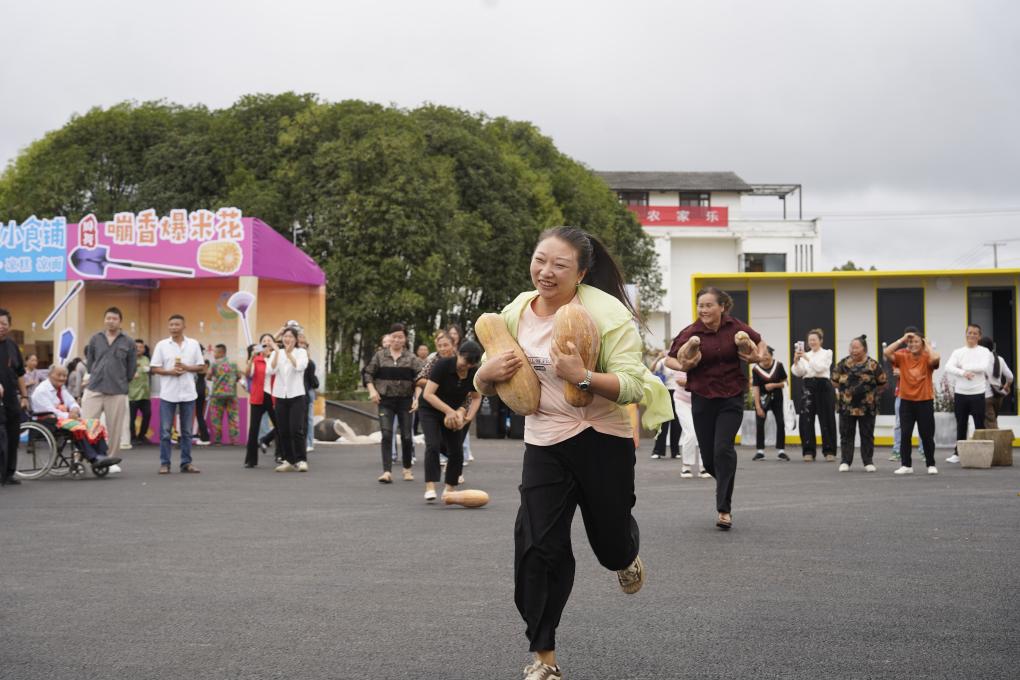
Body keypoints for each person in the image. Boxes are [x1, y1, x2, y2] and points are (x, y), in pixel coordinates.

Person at [474, 226, 672, 680]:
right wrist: (484, 376)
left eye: (559, 265)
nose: (546, 272)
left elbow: (635, 385)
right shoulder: (515, 312)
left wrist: (582, 375)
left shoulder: (607, 316)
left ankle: (625, 556)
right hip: (543, 440)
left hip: (602, 437)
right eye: (540, 260)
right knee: (538, 545)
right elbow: (490, 379)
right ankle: (544, 656)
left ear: (581, 273)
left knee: (609, 541)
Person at [668, 287, 766, 531]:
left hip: (731, 396)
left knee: (723, 448)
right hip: (702, 397)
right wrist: (682, 364)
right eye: (701, 305)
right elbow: (670, 357)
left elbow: (759, 342)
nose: (703, 310)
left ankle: (724, 509)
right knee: (711, 460)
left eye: (709, 305)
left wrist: (757, 357)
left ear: (722, 307)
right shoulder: (691, 332)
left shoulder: (736, 327)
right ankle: (724, 478)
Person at [420, 340, 483, 502]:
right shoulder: (442, 365)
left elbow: (476, 398)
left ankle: (449, 489)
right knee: (432, 445)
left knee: (456, 450)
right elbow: (428, 394)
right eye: (465, 362)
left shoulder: (473, 372)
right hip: (430, 409)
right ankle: (430, 486)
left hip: (454, 413)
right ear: (458, 354)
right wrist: (449, 411)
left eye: (471, 364)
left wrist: (467, 417)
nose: (466, 366)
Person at [31, 364, 121, 470]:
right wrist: (69, 416)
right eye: (59, 375)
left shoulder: (61, 388)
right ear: (50, 375)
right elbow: (50, 410)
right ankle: (93, 458)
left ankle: (103, 455)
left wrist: (75, 409)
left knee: (93, 423)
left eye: (64, 376)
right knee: (77, 427)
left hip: (62, 419)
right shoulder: (41, 391)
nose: (62, 378)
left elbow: (72, 402)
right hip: (47, 421)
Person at [365, 323, 422, 483]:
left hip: (405, 401)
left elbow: (420, 380)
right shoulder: (380, 356)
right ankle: (386, 471)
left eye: (400, 337)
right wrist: (372, 391)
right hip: (385, 401)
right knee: (387, 433)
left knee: (406, 435)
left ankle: (407, 469)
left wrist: (417, 399)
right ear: (389, 338)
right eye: (394, 336)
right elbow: (368, 374)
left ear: (405, 339)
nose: (397, 340)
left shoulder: (412, 358)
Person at [150, 315, 205, 474]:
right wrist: (170, 372)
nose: (173, 327)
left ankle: (186, 463)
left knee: (187, 431)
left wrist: (186, 368)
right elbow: (154, 368)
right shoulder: (162, 345)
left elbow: (201, 367)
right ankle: (165, 463)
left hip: (188, 393)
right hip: (168, 393)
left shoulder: (193, 344)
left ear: (184, 326)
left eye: (177, 324)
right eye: (171, 325)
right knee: (166, 431)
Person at [883, 328, 941, 475]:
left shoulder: (928, 356)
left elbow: (935, 359)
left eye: (916, 342)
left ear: (921, 343)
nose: (913, 344)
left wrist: (927, 344)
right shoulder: (903, 356)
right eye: (911, 342)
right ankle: (906, 465)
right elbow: (887, 353)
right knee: (905, 434)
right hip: (907, 401)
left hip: (924, 401)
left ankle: (931, 464)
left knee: (927, 435)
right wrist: (902, 339)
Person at [82, 307, 136, 460]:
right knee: (87, 425)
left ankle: (111, 460)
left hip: (117, 390)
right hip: (95, 388)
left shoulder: (128, 342)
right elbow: (90, 363)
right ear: (104, 320)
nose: (111, 321)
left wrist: (121, 381)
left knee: (114, 429)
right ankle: (85, 457)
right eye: (108, 318)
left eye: (114, 319)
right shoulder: (95, 338)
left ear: (120, 321)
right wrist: (96, 374)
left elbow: (131, 368)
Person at [832, 336, 887, 472]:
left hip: (867, 407)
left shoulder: (873, 364)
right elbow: (834, 381)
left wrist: (869, 395)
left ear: (864, 349)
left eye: (856, 347)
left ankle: (868, 462)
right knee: (846, 434)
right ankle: (845, 461)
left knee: (867, 434)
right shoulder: (843, 364)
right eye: (851, 347)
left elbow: (882, 383)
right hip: (847, 406)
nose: (853, 350)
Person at [944, 324, 995, 464]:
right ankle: (958, 453)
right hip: (961, 393)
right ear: (965, 334)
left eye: (975, 333)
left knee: (979, 424)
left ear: (979, 336)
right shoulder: (958, 352)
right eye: (969, 333)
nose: (971, 335)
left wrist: (963, 367)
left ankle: (981, 452)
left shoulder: (984, 351)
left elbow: (983, 367)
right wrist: (962, 372)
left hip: (978, 393)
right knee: (961, 424)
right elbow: (948, 366)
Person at [791, 329, 837, 462]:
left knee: (826, 418)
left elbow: (820, 368)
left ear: (820, 340)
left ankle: (829, 450)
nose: (812, 342)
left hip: (823, 385)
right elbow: (799, 372)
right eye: (810, 340)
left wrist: (806, 357)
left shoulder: (827, 353)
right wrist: (796, 361)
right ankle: (808, 450)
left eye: (814, 340)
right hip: (808, 386)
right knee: (806, 419)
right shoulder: (805, 354)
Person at [268, 327, 310, 472]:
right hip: (280, 395)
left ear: (296, 339)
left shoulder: (301, 352)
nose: (287, 339)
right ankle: (288, 460)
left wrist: (287, 353)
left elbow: (299, 367)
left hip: (297, 395)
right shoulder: (276, 353)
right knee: (283, 430)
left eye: (291, 337)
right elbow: (270, 370)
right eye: (285, 336)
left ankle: (301, 460)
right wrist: (276, 354)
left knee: (296, 429)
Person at [0, 308, 28, 486]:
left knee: (12, 435)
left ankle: (9, 472)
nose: (1, 327)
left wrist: (25, 396)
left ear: (9, 326)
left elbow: (20, 373)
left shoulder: (12, 346)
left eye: (4, 324)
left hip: (11, 398)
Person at [245, 334, 278, 468]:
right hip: (258, 396)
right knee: (254, 429)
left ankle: (280, 455)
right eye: (263, 341)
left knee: (280, 426)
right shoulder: (256, 359)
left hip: (273, 396)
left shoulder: (277, 357)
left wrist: (275, 351)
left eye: (269, 341)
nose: (266, 343)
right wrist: (252, 357)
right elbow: (248, 374)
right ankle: (251, 460)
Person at [751, 346, 789, 461]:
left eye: (767, 354)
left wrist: (774, 385)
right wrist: (758, 406)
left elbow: (785, 383)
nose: (765, 357)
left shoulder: (778, 366)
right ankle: (760, 451)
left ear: (772, 355)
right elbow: (756, 388)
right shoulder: (756, 369)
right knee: (760, 423)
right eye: (763, 355)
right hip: (763, 398)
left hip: (777, 398)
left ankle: (781, 451)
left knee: (780, 422)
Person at [673, 370, 708, 479]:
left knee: (705, 433)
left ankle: (705, 466)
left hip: (702, 400)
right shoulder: (683, 359)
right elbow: (680, 381)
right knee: (691, 432)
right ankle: (686, 466)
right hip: (682, 401)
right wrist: (701, 382)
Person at [208, 344, 242, 446]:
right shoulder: (233, 364)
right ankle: (234, 440)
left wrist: (215, 379)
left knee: (216, 417)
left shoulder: (214, 364)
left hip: (217, 395)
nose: (214, 354)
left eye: (215, 352)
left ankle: (218, 440)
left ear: (221, 352)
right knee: (233, 417)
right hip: (232, 394)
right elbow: (239, 376)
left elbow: (208, 376)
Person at [650, 352, 681, 459]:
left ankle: (675, 451)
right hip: (664, 392)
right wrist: (659, 356)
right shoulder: (664, 361)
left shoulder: (681, 360)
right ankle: (658, 450)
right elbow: (651, 368)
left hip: (678, 393)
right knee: (662, 422)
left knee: (677, 424)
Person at [978, 336, 1013, 429]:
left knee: (991, 424)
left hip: (986, 396)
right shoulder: (1000, 359)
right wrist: (1006, 386)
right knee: (992, 420)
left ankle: (995, 443)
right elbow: (1010, 376)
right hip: (998, 396)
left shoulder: (980, 359)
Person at [128, 340, 151, 444]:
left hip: (145, 393)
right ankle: (132, 438)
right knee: (131, 418)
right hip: (132, 394)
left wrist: (150, 370)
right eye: (136, 347)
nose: (138, 349)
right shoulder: (128, 360)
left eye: (141, 347)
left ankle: (142, 436)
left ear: (144, 349)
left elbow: (151, 371)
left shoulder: (146, 359)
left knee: (147, 414)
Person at [299, 334, 318, 453]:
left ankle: (309, 442)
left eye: (304, 344)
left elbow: (312, 381)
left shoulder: (310, 363)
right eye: (299, 343)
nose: (302, 346)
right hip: (296, 392)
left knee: (309, 419)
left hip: (308, 391)